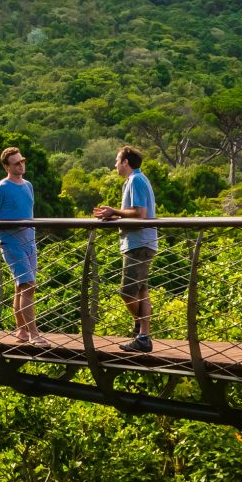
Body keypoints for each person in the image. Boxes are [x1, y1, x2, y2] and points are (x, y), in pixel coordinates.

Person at [93, 145, 158, 353]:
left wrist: (114, 211)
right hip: (142, 242)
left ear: (125, 163)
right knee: (141, 290)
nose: (115, 164)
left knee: (127, 292)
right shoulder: (137, 179)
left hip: (139, 243)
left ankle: (143, 331)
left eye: (117, 160)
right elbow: (135, 213)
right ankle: (143, 336)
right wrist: (114, 215)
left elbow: (139, 214)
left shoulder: (136, 180)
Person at [0, 145, 42, 344]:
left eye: (22, 161)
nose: (21, 165)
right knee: (28, 286)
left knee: (21, 286)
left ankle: (22, 331)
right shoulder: (0, 188)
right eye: (16, 163)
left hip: (29, 241)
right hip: (12, 243)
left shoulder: (28, 185)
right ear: (6, 167)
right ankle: (34, 334)